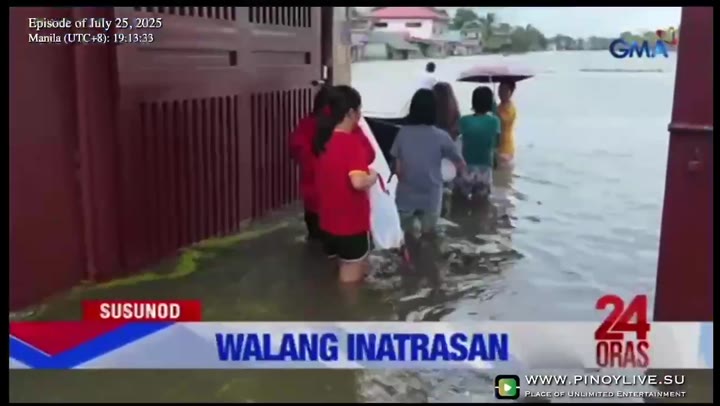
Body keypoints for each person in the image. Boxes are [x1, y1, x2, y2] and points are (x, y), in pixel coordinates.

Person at [313, 85, 378, 283]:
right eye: (358, 110)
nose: (360, 115)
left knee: (333, 269)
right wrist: (372, 177)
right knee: (350, 282)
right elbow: (357, 182)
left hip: (327, 223)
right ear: (350, 112)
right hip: (351, 225)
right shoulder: (352, 143)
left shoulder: (323, 141)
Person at [390, 89, 465, 239]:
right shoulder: (441, 136)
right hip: (431, 197)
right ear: (434, 111)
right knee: (428, 238)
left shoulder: (403, 133)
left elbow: (398, 169)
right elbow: (460, 163)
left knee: (407, 237)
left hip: (406, 197)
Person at [290, 86, 330, 241]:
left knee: (315, 234)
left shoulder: (306, 124)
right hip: (332, 194)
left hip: (311, 190)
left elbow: (296, 148)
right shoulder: (341, 126)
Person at [456, 86, 501, 200]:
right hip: (485, 167)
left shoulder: (464, 120)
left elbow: (455, 137)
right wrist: (495, 109)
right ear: (490, 103)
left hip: (466, 166)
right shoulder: (495, 121)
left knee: (461, 200)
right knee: (482, 202)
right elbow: (497, 144)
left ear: (473, 101)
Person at [496, 81, 518, 168]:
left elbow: (503, 120)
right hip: (498, 146)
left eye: (505, 90)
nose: (501, 92)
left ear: (511, 92)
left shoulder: (511, 108)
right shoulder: (499, 106)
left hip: (506, 147)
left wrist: (494, 112)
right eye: (500, 89)